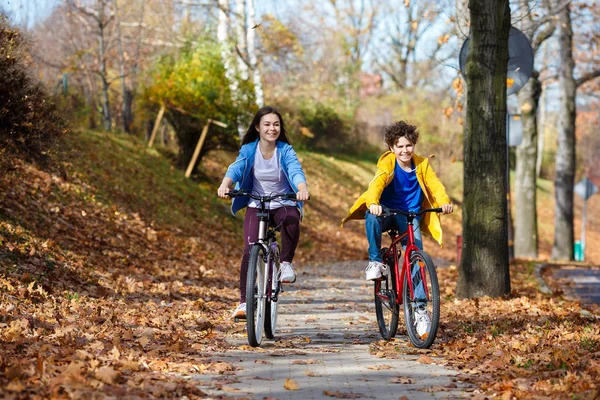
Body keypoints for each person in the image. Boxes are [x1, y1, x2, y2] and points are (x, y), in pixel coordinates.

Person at [341, 120, 452, 335]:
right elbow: (377, 182)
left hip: (409, 215)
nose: (404, 150)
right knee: (370, 217)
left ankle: (420, 311)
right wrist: (373, 203)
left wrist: (444, 201)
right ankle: (375, 261)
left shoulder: (422, 164)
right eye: (399, 146)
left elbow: (435, 185)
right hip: (385, 211)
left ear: (414, 145)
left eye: (408, 145)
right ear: (392, 148)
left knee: (417, 260)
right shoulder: (387, 163)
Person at [218, 106, 310, 320]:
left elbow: (295, 170)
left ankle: (285, 263)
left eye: (276, 124)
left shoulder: (285, 150)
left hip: (282, 202)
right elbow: (236, 168)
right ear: (258, 127)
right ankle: (243, 302)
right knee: (250, 251)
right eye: (267, 124)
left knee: (291, 218)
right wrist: (226, 184)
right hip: (256, 202)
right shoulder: (249, 149)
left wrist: (301, 188)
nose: (272, 128)